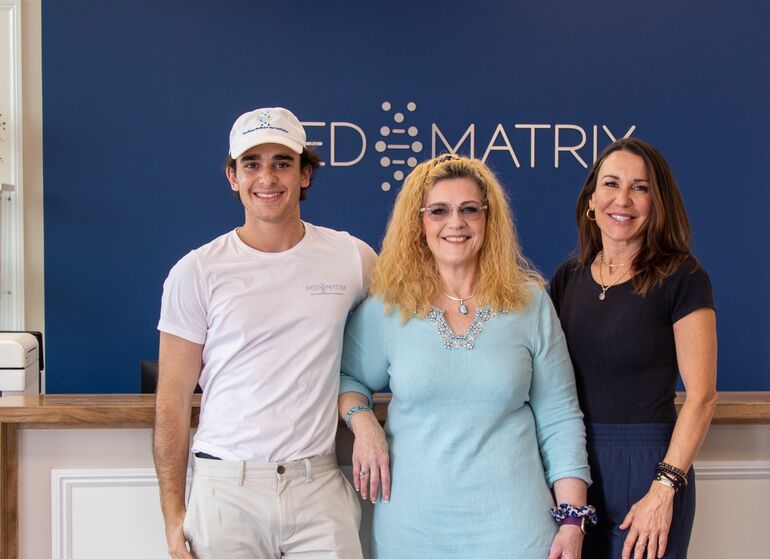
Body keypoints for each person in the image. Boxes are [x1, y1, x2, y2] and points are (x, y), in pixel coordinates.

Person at [338, 153, 594, 559]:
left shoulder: (529, 303)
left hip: (517, 528)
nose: (455, 223)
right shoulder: (388, 307)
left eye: (469, 210)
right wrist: (364, 421)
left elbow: (560, 417)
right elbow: (347, 378)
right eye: (438, 211)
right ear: (419, 224)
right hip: (413, 529)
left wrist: (572, 522)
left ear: (488, 220)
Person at [153, 107, 376, 559]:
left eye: (282, 162)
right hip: (226, 491)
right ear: (232, 177)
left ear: (305, 175)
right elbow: (172, 401)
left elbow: (409, 319)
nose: (267, 178)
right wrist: (173, 515)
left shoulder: (352, 258)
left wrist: (363, 414)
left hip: (318, 489)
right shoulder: (197, 271)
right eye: (251, 164)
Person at [550, 138, 718, 559]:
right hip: (574, 467)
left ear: (657, 202)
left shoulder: (682, 277)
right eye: (610, 183)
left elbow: (702, 397)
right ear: (591, 199)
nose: (622, 199)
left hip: (649, 468)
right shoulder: (567, 278)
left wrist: (663, 490)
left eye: (640, 188)